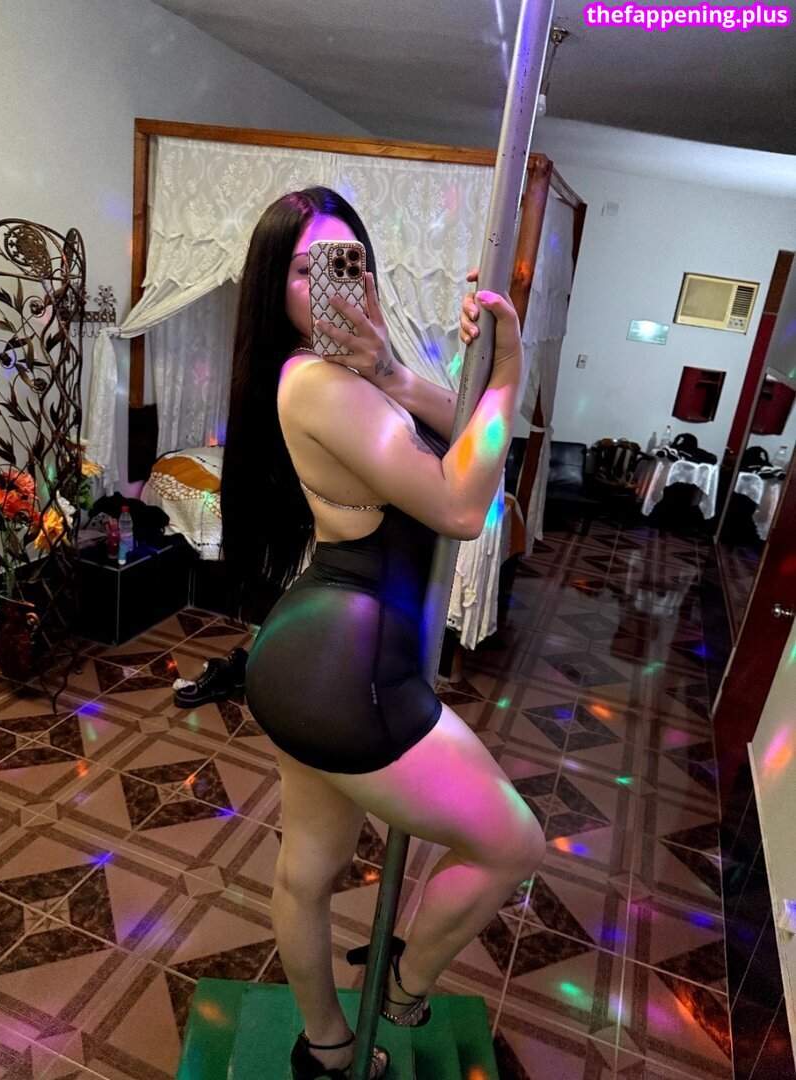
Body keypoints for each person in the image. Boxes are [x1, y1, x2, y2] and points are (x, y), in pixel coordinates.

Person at [221, 186, 545, 1080]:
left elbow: (458, 435)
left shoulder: (357, 375)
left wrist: (401, 374)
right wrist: (506, 374)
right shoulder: (317, 381)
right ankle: (400, 988)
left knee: (308, 870)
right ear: (277, 292)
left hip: (316, 656)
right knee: (513, 843)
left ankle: (326, 1047)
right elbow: (461, 503)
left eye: (347, 259)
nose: (333, 281)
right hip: (346, 674)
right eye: (304, 271)